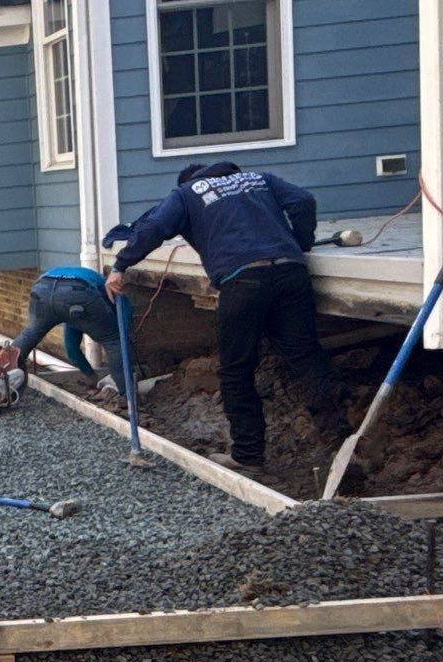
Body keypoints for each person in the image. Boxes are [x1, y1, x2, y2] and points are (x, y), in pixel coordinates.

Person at [106, 161, 344, 473]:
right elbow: (303, 201)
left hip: (242, 279)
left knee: (236, 370)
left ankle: (248, 456)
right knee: (305, 357)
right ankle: (341, 442)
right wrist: (300, 243)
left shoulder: (186, 193)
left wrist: (121, 264)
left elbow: (153, 228)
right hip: (291, 272)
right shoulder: (260, 179)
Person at [0, 266, 131, 397]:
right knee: (113, 340)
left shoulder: (85, 301)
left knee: (30, 334)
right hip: (77, 291)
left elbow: (71, 349)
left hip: (42, 287)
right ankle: (127, 395)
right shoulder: (111, 288)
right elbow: (122, 327)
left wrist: (91, 376)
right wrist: (123, 339)